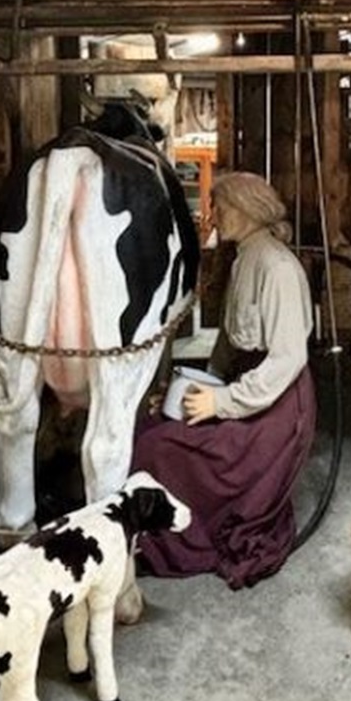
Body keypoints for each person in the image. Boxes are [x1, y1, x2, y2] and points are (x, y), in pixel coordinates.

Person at [130, 171, 317, 590]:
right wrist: (197, 388)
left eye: (224, 207)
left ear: (251, 209)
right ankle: (151, 533)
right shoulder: (243, 258)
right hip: (244, 388)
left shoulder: (278, 267)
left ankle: (179, 541)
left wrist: (220, 403)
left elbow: (287, 360)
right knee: (152, 428)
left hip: (278, 409)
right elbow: (230, 346)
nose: (217, 216)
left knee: (160, 447)